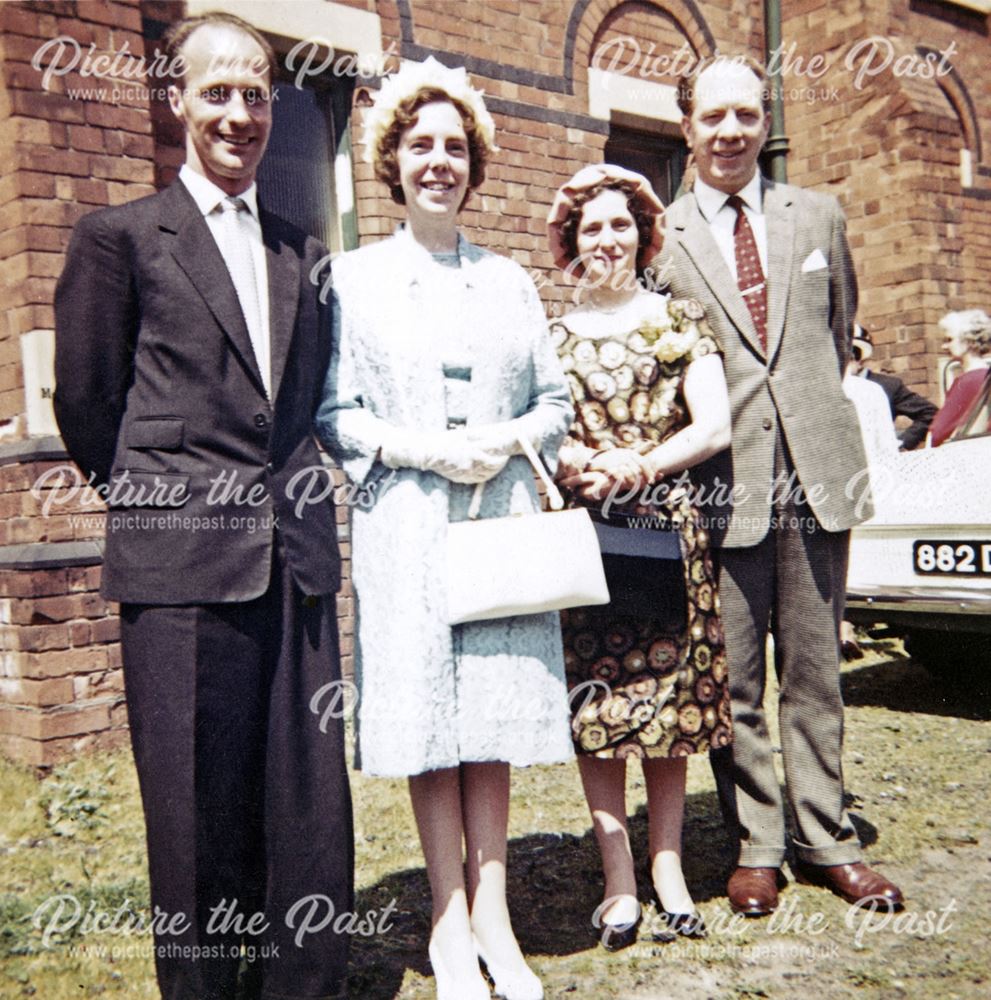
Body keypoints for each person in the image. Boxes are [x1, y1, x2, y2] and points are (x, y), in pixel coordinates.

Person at [53, 13, 353, 999]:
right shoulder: (119, 240)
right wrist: (173, 503)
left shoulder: (301, 253)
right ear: (176, 99)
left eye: (257, 92)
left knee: (301, 811)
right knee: (193, 819)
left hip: (295, 564)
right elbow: (89, 406)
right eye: (217, 90)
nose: (239, 111)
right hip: (181, 569)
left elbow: (300, 402)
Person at [314, 57, 573, 1000]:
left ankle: (497, 918)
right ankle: (446, 920)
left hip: (496, 512)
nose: (438, 162)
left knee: (491, 716)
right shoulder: (352, 277)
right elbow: (335, 414)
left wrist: (504, 439)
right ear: (391, 159)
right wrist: (422, 450)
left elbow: (553, 400)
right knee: (428, 715)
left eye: (454, 147)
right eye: (420, 145)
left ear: (474, 164)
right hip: (407, 520)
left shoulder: (507, 281)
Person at [650, 53, 904, 915]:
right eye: (712, 116)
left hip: (815, 476)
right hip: (727, 486)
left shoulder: (818, 216)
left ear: (766, 122)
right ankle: (755, 841)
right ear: (685, 124)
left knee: (815, 666)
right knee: (735, 678)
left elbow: (835, 338)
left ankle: (825, 837)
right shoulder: (665, 235)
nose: (729, 132)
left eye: (746, 116)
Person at [546, 164, 732, 949]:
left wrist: (644, 464)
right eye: (591, 227)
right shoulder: (550, 335)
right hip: (587, 539)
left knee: (669, 702)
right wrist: (579, 461)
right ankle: (617, 880)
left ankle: (668, 870)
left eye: (620, 224)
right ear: (571, 242)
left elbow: (714, 424)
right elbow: (538, 430)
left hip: (666, 531)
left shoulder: (678, 319)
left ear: (643, 232)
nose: (607, 239)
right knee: (598, 706)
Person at [850, 326, 936, 450]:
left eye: (854, 354)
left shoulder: (887, 386)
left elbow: (929, 413)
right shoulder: (830, 387)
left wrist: (901, 443)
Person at [929, 309, 991, 446]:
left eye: (949, 340)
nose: (944, 346)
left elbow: (938, 432)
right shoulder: (984, 375)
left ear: (968, 341)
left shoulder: (968, 380)